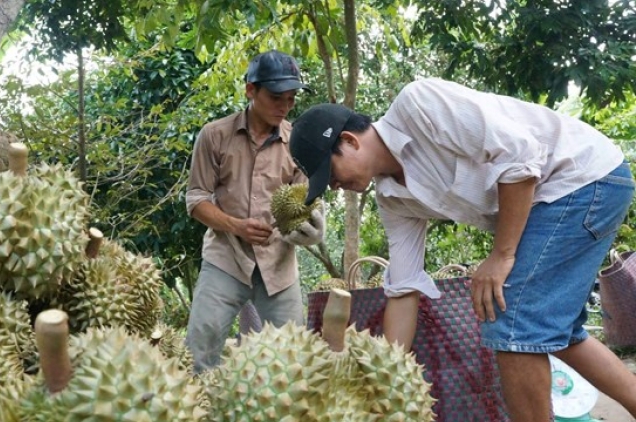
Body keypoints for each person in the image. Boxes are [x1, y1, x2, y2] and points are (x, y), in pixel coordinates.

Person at [288, 78, 636, 421]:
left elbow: (521, 157)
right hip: (558, 199)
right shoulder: (392, 200)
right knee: (559, 334)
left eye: (329, 174)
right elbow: (404, 287)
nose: (333, 186)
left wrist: (501, 255)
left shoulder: (418, 105)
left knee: (511, 321)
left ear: (349, 141)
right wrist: (387, 373)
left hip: (582, 177)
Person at [185, 50, 325, 373]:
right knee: (198, 356)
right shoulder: (215, 136)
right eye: (277, 97)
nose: (285, 107)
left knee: (294, 362)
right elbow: (196, 200)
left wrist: (313, 230)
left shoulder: (299, 144)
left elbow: (309, 201)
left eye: (291, 99)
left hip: (278, 267)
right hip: (225, 259)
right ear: (251, 90)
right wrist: (235, 225)